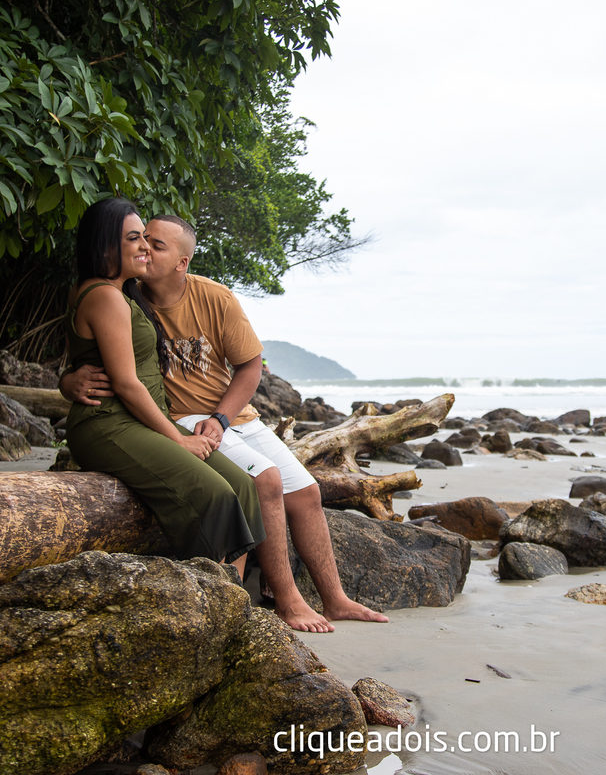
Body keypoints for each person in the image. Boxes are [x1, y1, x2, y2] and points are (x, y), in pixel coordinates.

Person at [61, 214, 388, 632]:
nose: (145, 248)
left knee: (306, 492)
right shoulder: (125, 294)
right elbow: (92, 354)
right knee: (265, 482)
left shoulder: (211, 297)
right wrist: (68, 381)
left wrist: (222, 417)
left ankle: (335, 598)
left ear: (182, 262)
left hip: (229, 415)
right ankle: (286, 600)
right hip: (180, 419)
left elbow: (251, 366)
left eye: (156, 244)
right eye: (141, 240)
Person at [62, 197, 265, 577]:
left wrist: (67, 381)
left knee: (242, 483)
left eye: (148, 240)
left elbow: (83, 360)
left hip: (133, 422)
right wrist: (178, 439)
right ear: (107, 245)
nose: (144, 247)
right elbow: (125, 383)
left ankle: (231, 594)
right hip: (108, 424)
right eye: (135, 239)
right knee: (215, 493)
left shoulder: (123, 292)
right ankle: (209, 592)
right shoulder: (104, 295)